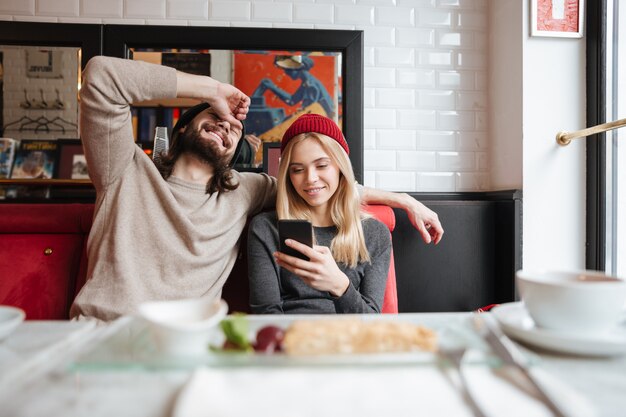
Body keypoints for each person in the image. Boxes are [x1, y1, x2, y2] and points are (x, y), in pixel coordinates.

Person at [70, 55, 443, 321]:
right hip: (104, 333)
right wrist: (213, 90)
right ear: (182, 128)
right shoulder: (123, 168)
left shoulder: (242, 191)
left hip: (185, 344)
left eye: (234, 128)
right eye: (213, 116)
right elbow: (101, 76)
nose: (226, 125)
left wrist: (404, 200)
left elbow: (319, 188)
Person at [248, 114, 391, 314]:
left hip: (350, 340)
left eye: (322, 165)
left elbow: (370, 323)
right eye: (297, 170)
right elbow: (266, 314)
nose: (310, 178)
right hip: (291, 339)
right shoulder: (266, 228)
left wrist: (339, 286)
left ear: (340, 167)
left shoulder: (375, 233)